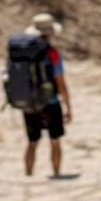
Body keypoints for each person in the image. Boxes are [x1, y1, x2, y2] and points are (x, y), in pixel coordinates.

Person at [22, 13, 72, 177]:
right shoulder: (53, 54)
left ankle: (28, 174)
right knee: (55, 140)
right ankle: (56, 173)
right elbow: (60, 82)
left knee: (32, 142)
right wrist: (68, 106)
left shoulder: (24, 53)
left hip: (29, 103)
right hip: (50, 102)